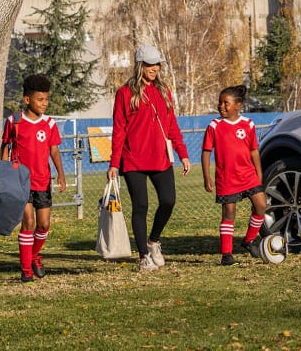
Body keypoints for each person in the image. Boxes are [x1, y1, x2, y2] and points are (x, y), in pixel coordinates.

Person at [108, 45, 191, 272]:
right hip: (132, 159)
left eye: (157, 64)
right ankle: (143, 256)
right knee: (140, 206)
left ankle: (153, 242)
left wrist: (182, 153)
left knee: (168, 200)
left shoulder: (164, 90)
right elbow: (119, 130)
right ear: (140, 65)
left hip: (161, 158)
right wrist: (114, 163)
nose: (154, 68)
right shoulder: (125, 93)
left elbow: (171, 124)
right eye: (150, 64)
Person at [1, 73, 66, 282]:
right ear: (27, 100)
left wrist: (61, 175)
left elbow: (54, 151)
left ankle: (34, 255)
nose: (44, 103)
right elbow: (5, 147)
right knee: (28, 222)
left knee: (44, 225)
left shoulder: (49, 124)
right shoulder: (14, 121)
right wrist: (4, 172)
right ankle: (26, 269)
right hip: (21, 182)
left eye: (46, 99)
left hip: (43, 181)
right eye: (40, 99)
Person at [202, 85, 267, 265]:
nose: (221, 106)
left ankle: (249, 240)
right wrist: (206, 176)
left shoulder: (248, 124)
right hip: (226, 178)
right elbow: (206, 151)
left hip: (248, 175)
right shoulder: (214, 126)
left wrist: (258, 173)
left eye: (226, 103)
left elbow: (254, 151)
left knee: (261, 205)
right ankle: (226, 254)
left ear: (238, 105)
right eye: (220, 102)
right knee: (229, 212)